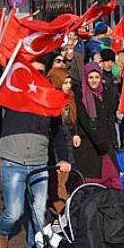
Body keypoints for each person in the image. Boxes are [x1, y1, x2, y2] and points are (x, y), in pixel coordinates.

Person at [0, 62, 72, 248]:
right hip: (13, 159)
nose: (34, 75)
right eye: (31, 70)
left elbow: (58, 132)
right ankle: (2, 230)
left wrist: (64, 158)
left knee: (38, 213)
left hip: (39, 162)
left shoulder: (49, 98)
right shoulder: (12, 90)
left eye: (39, 71)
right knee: (15, 210)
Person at [73, 62, 118, 182]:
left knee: (112, 176)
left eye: (97, 77)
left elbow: (110, 117)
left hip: (106, 141)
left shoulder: (105, 93)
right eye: (90, 77)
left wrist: (114, 139)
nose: (94, 81)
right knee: (93, 179)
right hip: (90, 144)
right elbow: (87, 121)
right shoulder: (82, 96)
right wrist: (99, 142)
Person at [46, 67, 78, 215]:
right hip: (54, 149)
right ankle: (60, 214)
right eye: (64, 82)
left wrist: (75, 133)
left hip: (68, 146)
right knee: (57, 185)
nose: (68, 86)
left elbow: (73, 123)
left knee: (63, 182)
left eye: (69, 82)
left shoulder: (70, 98)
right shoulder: (50, 101)